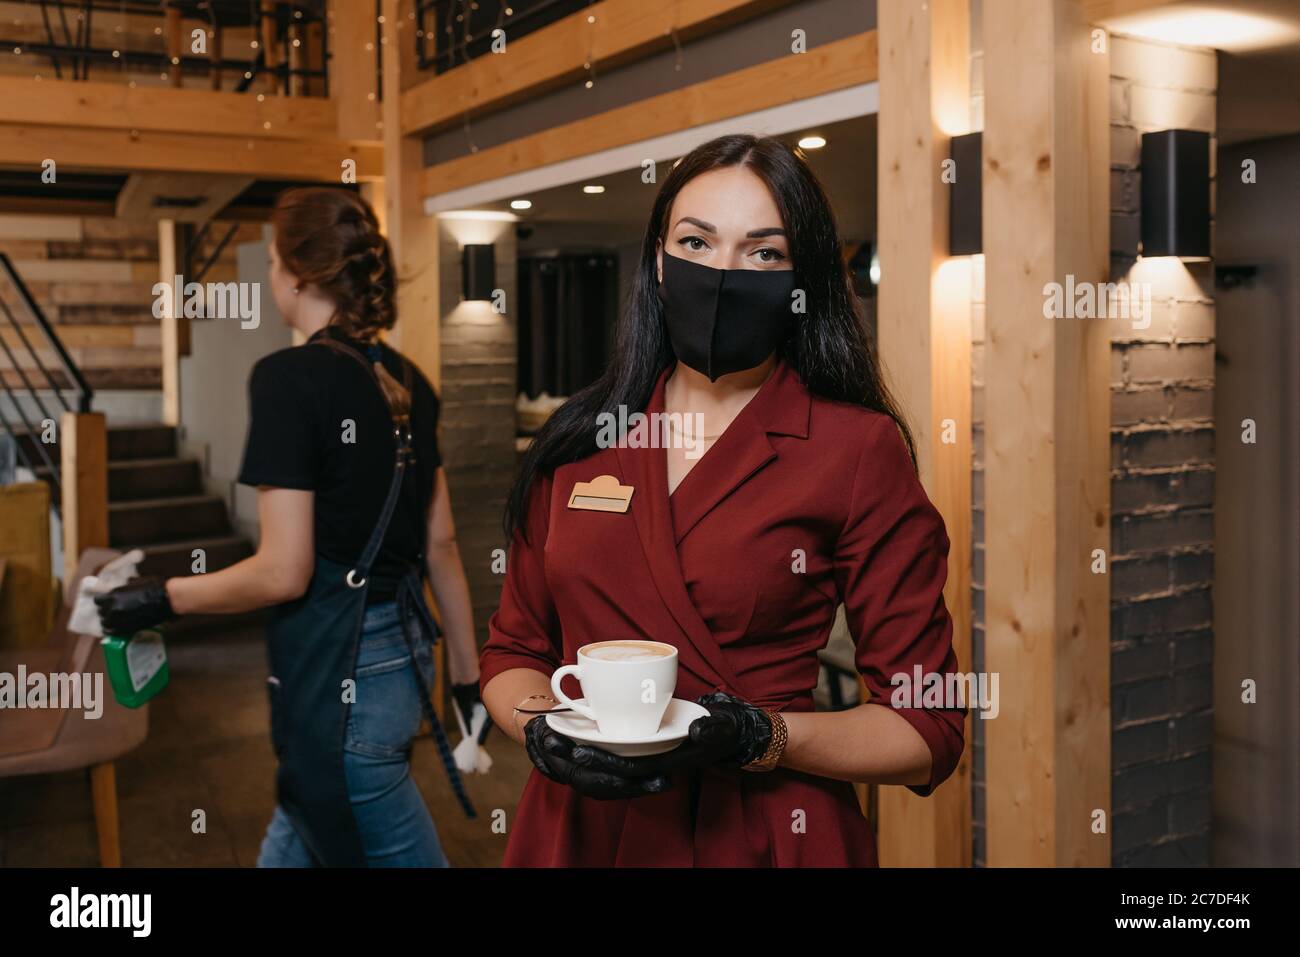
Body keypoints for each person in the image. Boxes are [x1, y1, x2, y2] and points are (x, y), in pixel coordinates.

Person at [479, 134, 966, 866]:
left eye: (763, 252)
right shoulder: (579, 439)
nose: (724, 272)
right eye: (697, 242)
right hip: (579, 828)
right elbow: (515, 651)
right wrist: (544, 730)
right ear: (658, 262)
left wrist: (762, 735)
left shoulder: (855, 448)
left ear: (803, 280)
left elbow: (925, 727)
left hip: (764, 831)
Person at [96, 187, 483, 867]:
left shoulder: (286, 379)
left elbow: (284, 570)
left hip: (341, 687)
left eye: (274, 261)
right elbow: (442, 544)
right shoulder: (410, 380)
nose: (271, 276)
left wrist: (161, 598)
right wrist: (467, 681)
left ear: (298, 274)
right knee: (293, 837)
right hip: (403, 665)